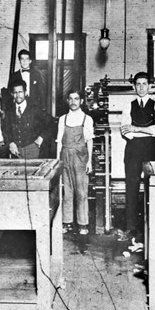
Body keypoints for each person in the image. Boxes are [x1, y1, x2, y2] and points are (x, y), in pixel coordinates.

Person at [118, 72, 155, 243]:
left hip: (152, 149)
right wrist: (149, 128)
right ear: (134, 86)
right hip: (133, 150)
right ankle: (131, 229)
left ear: (150, 86)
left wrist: (136, 128)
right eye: (138, 84)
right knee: (131, 189)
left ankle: (153, 228)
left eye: (144, 84)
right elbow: (126, 132)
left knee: (153, 188)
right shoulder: (128, 106)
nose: (141, 87)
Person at [56, 90, 94, 235]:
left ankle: (83, 224)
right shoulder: (63, 119)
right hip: (65, 156)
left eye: (76, 99)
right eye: (70, 99)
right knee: (67, 191)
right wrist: (57, 161)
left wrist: (89, 161)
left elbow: (89, 141)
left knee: (82, 191)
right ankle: (67, 222)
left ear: (81, 101)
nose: (73, 101)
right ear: (67, 101)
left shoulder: (87, 119)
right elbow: (59, 141)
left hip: (80, 158)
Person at [2, 80, 53, 159]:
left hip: (32, 150)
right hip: (15, 152)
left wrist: (41, 138)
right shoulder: (9, 111)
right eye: (15, 92)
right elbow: (5, 130)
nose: (18, 95)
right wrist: (10, 143)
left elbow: (51, 124)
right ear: (12, 94)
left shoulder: (35, 109)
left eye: (20, 92)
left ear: (25, 92)